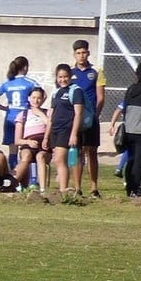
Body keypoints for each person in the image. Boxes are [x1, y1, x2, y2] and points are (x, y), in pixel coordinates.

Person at [69, 39, 105, 197]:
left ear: (88, 53)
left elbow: (101, 97)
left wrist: (95, 116)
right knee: (76, 153)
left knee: (91, 152)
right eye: (78, 53)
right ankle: (77, 188)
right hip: (75, 119)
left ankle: (94, 187)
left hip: (90, 119)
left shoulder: (97, 71)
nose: (81, 56)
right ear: (74, 55)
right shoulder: (70, 73)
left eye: (84, 52)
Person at [48, 63, 86, 201]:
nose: (63, 80)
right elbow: (51, 116)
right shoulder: (56, 92)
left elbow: (78, 114)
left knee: (60, 159)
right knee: (58, 161)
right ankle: (63, 190)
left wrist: (74, 134)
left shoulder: (76, 91)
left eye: (65, 77)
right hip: (55, 130)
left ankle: (64, 191)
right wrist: (46, 136)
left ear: (70, 77)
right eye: (60, 77)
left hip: (67, 129)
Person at [0, 57, 36, 157]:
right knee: (27, 146)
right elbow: (43, 95)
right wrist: (34, 107)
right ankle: (29, 171)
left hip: (10, 117)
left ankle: (13, 170)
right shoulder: (30, 82)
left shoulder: (6, 83)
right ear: (25, 67)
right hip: (25, 117)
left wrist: (4, 108)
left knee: (12, 148)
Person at [118, 61, 141, 197]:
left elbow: (125, 109)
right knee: (139, 161)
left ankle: (130, 188)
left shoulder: (131, 89)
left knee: (131, 159)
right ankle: (135, 189)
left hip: (129, 130)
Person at [12, 85, 50, 190]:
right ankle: (13, 182)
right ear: (29, 98)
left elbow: (50, 125)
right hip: (28, 143)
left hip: (44, 143)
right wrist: (28, 142)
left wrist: (40, 114)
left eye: (39, 98)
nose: (36, 100)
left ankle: (42, 189)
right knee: (27, 155)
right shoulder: (22, 115)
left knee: (40, 157)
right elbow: (17, 140)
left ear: (43, 99)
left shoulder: (48, 113)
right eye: (33, 97)